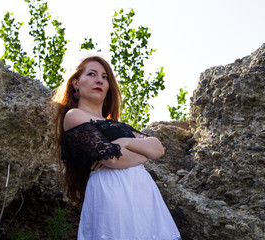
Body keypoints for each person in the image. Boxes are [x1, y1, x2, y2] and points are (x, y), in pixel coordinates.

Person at [52, 56, 181, 240]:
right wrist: (142, 152)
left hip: (143, 194)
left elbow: (158, 148)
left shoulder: (118, 125)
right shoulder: (74, 116)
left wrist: (124, 142)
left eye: (105, 77)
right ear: (75, 83)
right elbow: (111, 158)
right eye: (92, 74)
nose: (100, 80)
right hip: (112, 192)